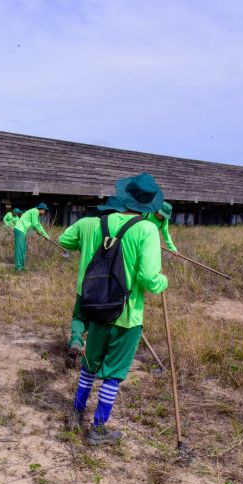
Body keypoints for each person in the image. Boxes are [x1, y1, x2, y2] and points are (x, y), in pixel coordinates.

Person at [58, 173, 168, 446]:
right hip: (127, 314)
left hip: (96, 307)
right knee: (114, 374)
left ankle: (75, 413)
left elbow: (68, 243)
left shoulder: (98, 223)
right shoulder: (147, 229)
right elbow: (150, 279)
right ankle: (98, 428)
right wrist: (163, 281)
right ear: (149, 205)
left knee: (89, 365)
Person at [13, 203, 50, 272]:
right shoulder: (35, 211)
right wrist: (45, 235)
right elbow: (35, 225)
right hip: (19, 229)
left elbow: (38, 225)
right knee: (20, 249)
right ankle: (18, 268)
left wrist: (46, 235)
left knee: (23, 249)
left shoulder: (36, 213)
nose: (45, 213)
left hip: (22, 231)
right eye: (45, 211)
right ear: (42, 209)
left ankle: (21, 267)